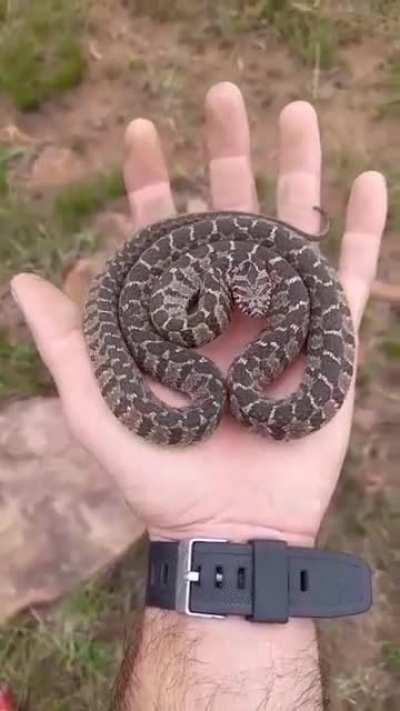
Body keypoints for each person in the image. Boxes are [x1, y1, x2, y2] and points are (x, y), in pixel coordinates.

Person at [11, 82, 387, 710]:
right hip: (178, 305)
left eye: (266, 308)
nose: (261, 314)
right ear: (234, 297)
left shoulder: (269, 325)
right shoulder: (189, 316)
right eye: (254, 303)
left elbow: (268, 315)